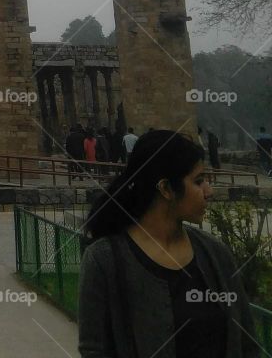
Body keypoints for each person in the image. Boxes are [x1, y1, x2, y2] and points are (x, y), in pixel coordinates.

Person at [79, 129, 257, 357]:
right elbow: (94, 350)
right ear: (165, 189)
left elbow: (247, 342)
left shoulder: (214, 254)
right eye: (199, 181)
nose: (209, 192)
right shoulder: (104, 260)